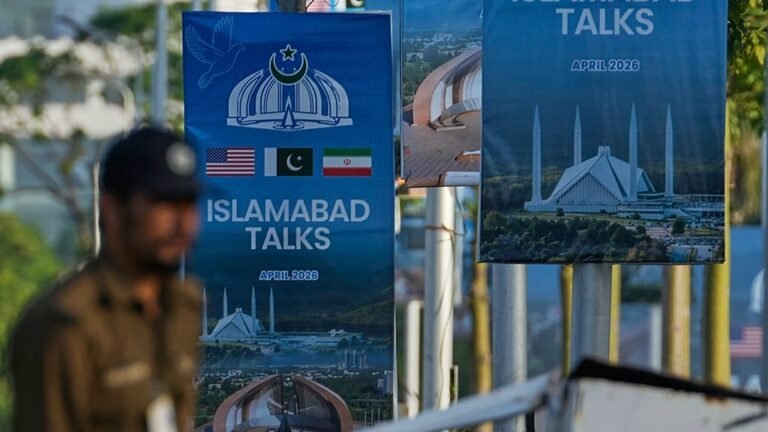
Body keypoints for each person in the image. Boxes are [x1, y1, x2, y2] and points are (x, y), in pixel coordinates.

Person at [9, 126, 203, 432]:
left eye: (189, 203)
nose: (182, 223)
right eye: (163, 203)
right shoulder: (66, 322)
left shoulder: (183, 305)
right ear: (112, 209)